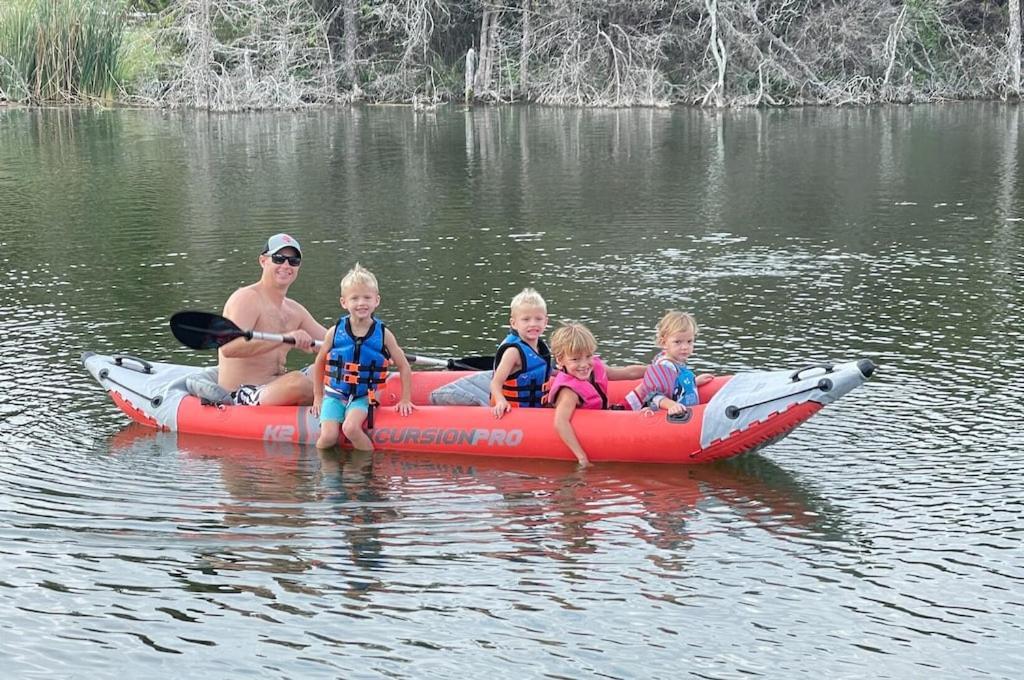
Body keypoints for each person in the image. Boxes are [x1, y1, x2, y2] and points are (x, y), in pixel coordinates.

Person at [312, 263, 414, 451]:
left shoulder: (383, 334)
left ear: (377, 300)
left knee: (350, 428)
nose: (361, 303)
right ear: (344, 302)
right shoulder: (334, 332)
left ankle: (368, 471)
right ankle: (324, 476)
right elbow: (320, 361)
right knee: (328, 436)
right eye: (355, 298)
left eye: (367, 297)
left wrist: (405, 399)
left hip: (365, 396)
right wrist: (318, 396)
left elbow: (403, 366)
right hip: (335, 394)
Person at [217, 233, 328, 406]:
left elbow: (332, 341)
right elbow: (228, 348)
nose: (286, 265)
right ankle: (339, 408)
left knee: (329, 371)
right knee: (297, 382)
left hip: (277, 385)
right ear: (263, 261)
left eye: (293, 261)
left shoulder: (295, 310)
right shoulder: (246, 298)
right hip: (243, 392)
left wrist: (373, 341)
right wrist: (286, 339)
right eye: (278, 258)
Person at [547, 322, 645, 466]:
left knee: (648, 387)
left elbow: (626, 372)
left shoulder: (594, 367)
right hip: (597, 429)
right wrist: (582, 457)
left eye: (588, 356)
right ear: (560, 360)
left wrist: (653, 369)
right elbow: (560, 423)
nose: (584, 364)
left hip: (608, 413)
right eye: (575, 359)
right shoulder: (569, 392)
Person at [625, 311, 714, 415]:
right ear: (664, 343)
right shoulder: (665, 366)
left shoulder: (677, 362)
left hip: (687, 414)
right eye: (678, 342)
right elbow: (654, 396)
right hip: (671, 419)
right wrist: (671, 405)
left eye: (689, 341)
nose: (685, 347)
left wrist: (694, 382)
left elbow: (676, 385)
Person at [490, 287, 553, 418]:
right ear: (514, 323)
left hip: (539, 411)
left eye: (538, 319)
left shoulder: (541, 347)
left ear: (546, 322)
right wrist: (500, 400)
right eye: (526, 319)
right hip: (515, 414)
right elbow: (496, 383)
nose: (533, 324)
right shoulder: (513, 352)